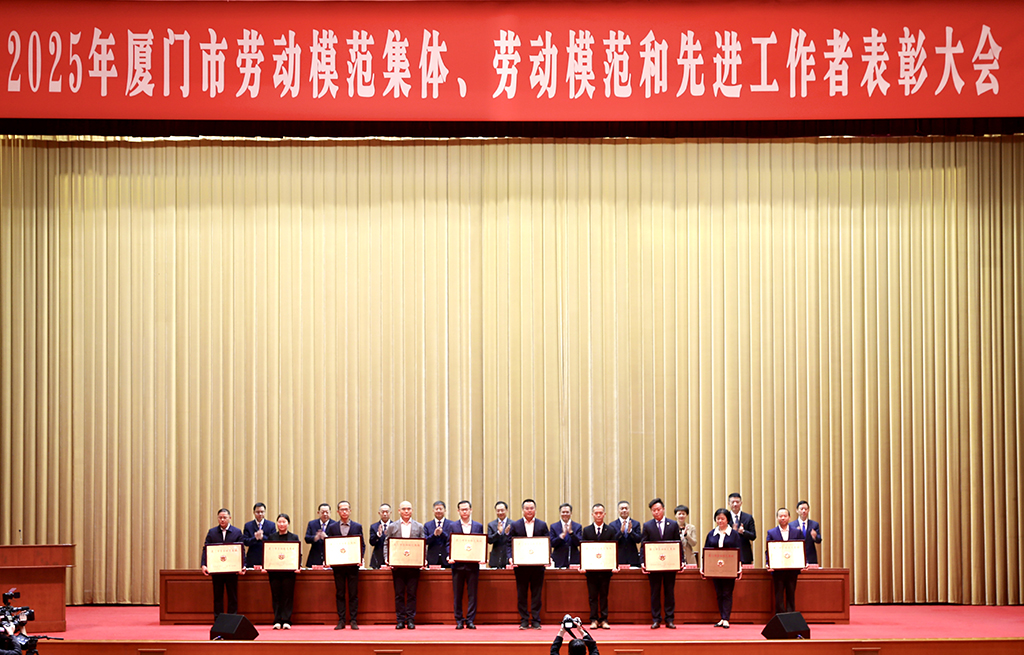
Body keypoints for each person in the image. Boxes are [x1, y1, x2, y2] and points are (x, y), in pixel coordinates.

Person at [507, 498, 549, 629]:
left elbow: (547, 543)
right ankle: (524, 620)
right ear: (523, 510)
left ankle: (536, 620)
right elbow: (508, 544)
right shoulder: (515, 525)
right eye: (527, 508)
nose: (529, 511)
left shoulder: (542, 525)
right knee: (522, 594)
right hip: (521, 566)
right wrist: (510, 558)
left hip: (537, 566)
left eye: (531, 508)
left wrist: (547, 557)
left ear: (535, 509)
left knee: (537, 594)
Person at [383, 500, 424, 629]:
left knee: (412, 594)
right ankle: (400, 620)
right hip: (398, 566)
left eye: (409, 509)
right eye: (404, 509)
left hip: (413, 567)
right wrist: (387, 558)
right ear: (399, 511)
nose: (406, 511)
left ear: (412, 510)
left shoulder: (419, 526)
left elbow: (423, 545)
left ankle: (411, 620)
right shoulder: (392, 526)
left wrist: (423, 559)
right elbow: (386, 544)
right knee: (399, 594)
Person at [640, 498, 679, 629]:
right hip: (654, 565)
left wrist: (681, 561)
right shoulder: (647, 526)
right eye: (654, 510)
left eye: (658, 509)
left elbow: (678, 544)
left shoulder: (673, 524)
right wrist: (643, 562)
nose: (656, 512)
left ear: (663, 509)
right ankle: (656, 619)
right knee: (655, 592)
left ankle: (669, 619)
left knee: (669, 592)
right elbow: (643, 545)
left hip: (670, 565)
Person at [325, 500, 364, 629]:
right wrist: (329, 559)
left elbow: (362, 545)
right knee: (340, 593)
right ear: (338, 512)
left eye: (346, 509)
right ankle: (341, 620)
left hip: (353, 566)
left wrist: (360, 557)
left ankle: (353, 620)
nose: (344, 512)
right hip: (338, 567)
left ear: (350, 511)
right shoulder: (333, 527)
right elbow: (329, 545)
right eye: (342, 509)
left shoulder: (357, 526)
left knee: (353, 594)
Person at [200, 508, 245, 618]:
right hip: (217, 570)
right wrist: (203, 565)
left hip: (232, 570)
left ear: (230, 518)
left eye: (225, 517)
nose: (222, 520)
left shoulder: (237, 532)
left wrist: (242, 565)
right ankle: (218, 620)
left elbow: (241, 550)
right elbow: (206, 549)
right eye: (220, 518)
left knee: (232, 596)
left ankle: (232, 619)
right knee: (217, 596)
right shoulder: (212, 532)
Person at [704, 508, 743, 628]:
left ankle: (726, 618)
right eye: (718, 518)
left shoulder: (734, 534)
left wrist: (739, 567)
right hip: (715, 569)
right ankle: (722, 617)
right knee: (719, 593)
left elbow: (739, 551)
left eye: (722, 518)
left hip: (730, 569)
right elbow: (706, 551)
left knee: (727, 593)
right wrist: (704, 567)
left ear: (728, 520)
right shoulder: (711, 534)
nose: (720, 521)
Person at [448, 500, 484, 629]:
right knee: (457, 594)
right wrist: (450, 555)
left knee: (472, 594)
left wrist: (482, 556)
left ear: (471, 510)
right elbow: (448, 543)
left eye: (466, 509)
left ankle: (470, 620)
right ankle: (459, 620)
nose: (464, 512)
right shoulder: (452, 526)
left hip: (472, 566)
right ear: (458, 511)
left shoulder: (478, 526)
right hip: (457, 565)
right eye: (462, 509)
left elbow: (481, 544)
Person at [580, 503, 616, 629]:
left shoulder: (610, 530)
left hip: (605, 570)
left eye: (601, 513)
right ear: (592, 514)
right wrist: (583, 565)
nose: (599, 515)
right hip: (591, 570)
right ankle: (594, 620)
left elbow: (613, 549)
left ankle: (604, 619)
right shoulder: (587, 530)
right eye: (596, 513)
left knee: (604, 596)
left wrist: (614, 565)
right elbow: (583, 549)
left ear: (604, 514)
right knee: (593, 596)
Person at [265, 513, 301, 630]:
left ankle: (286, 620)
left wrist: (298, 566)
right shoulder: (272, 537)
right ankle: (277, 620)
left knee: (287, 596)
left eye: (284, 522)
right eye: (279, 522)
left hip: (289, 572)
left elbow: (297, 553)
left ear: (288, 523)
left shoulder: (294, 537)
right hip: (274, 572)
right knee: (276, 596)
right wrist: (265, 566)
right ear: (277, 523)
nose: (281, 524)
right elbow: (267, 553)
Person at [765, 508, 804, 613]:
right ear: (777, 518)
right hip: (778, 569)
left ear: (789, 517)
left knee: (791, 594)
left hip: (792, 569)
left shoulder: (797, 532)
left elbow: (801, 548)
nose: (783, 518)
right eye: (780, 516)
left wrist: (804, 562)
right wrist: (768, 563)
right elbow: (768, 550)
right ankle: (780, 617)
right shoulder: (772, 532)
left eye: (785, 516)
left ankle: (791, 617)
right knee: (778, 594)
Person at [425, 500, 457, 567]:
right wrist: (434, 535)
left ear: (445, 510)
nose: (438, 511)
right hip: (432, 559)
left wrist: (442, 533)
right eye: (436, 509)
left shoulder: (452, 524)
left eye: (441, 509)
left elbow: (453, 540)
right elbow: (425, 541)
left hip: (447, 559)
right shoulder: (427, 525)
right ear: (433, 511)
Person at [727, 493, 757, 565]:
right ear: (729, 503)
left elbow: (753, 536)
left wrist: (743, 531)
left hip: (744, 554)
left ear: (741, 503)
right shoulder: (725, 517)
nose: (735, 504)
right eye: (733, 502)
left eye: (737, 502)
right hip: (728, 554)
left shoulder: (748, 517)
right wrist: (731, 531)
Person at [609, 501, 641, 567]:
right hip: (619, 558)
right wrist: (620, 532)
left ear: (629, 510)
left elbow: (638, 540)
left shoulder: (636, 523)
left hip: (633, 558)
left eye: (626, 508)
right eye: (622, 508)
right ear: (618, 510)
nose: (624, 510)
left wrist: (631, 532)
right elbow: (612, 541)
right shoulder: (612, 525)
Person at [550, 503, 582, 568]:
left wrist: (571, 533)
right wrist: (561, 536)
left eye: (567, 512)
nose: (565, 514)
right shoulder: (553, 526)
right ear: (560, 513)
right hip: (558, 560)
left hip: (573, 559)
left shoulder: (577, 526)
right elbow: (552, 544)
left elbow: (579, 543)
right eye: (563, 512)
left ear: (571, 513)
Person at [304, 503, 335, 567]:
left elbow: (337, 541)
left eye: (327, 512)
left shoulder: (335, 524)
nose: (325, 514)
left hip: (330, 557)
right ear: (318, 513)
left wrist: (326, 538)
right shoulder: (312, 524)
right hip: (315, 557)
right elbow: (307, 538)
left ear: (330, 513)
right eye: (323, 512)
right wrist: (315, 538)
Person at [242, 502, 271, 568]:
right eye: (257, 512)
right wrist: (255, 538)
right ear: (254, 512)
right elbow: (245, 542)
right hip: (252, 557)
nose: (260, 514)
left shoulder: (271, 525)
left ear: (265, 512)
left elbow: (272, 541)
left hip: (266, 556)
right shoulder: (248, 525)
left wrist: (263, 537)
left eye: (262, 512)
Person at [794, 500, 823, 565]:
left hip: (811, 556)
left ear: (808, 510)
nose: (804, 511)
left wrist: (815, 536)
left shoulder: (814, 524)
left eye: (806, 509)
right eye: (801, 509)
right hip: (796, 555)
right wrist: (795, 534)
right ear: (797, 510)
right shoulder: (792, 525)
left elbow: (819, 540)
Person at [487, 501, 512, 569]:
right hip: (496, 559)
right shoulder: (491, 524)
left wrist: (507, 534)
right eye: (498, 511)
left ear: (507, 510)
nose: (500, 512)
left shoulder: (512, 524)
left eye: (502, 510)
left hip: (508, 558)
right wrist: (498, 533)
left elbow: (514, 540)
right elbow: (489, 540)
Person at [369, 503, 392, 569]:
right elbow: (372, 543)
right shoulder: (374, 526)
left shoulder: (394, 526)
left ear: (390, 513)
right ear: (379, 513)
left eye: (387, 512)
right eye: (383, 512)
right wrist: (378, 535)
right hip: (377, 559)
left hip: (391, 557)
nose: (385, 514)